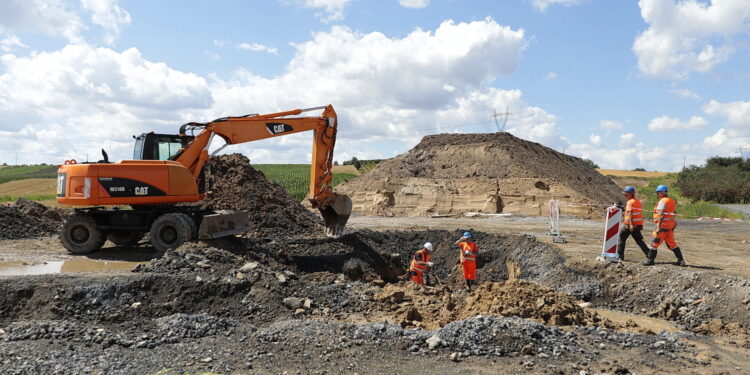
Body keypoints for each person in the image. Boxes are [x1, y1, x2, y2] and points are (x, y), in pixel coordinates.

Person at [643, 185, 686, 266]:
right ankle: (681, 261)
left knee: (654, 244)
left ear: (662, 193)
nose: (657, 195)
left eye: (658, 193)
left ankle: (650, 261)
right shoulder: (671, 201)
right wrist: (673, 221)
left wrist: (658, 227)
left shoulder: (662, 201)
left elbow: (661, 215)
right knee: (672, 244)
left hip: (662, 226)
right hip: (670, 226)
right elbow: (674, 212)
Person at [617, 186, 650, 261]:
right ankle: (649, 255)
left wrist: (631, 225)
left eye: (626, 194)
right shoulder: (637, 201)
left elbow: (631, 213)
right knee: (639, 241)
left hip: (629, 225)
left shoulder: (630, 202)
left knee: (621, 239)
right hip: (638, 225)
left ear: (630, 194)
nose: (625, 195)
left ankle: (620, 256)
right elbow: (632, 213)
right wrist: (625, 213)